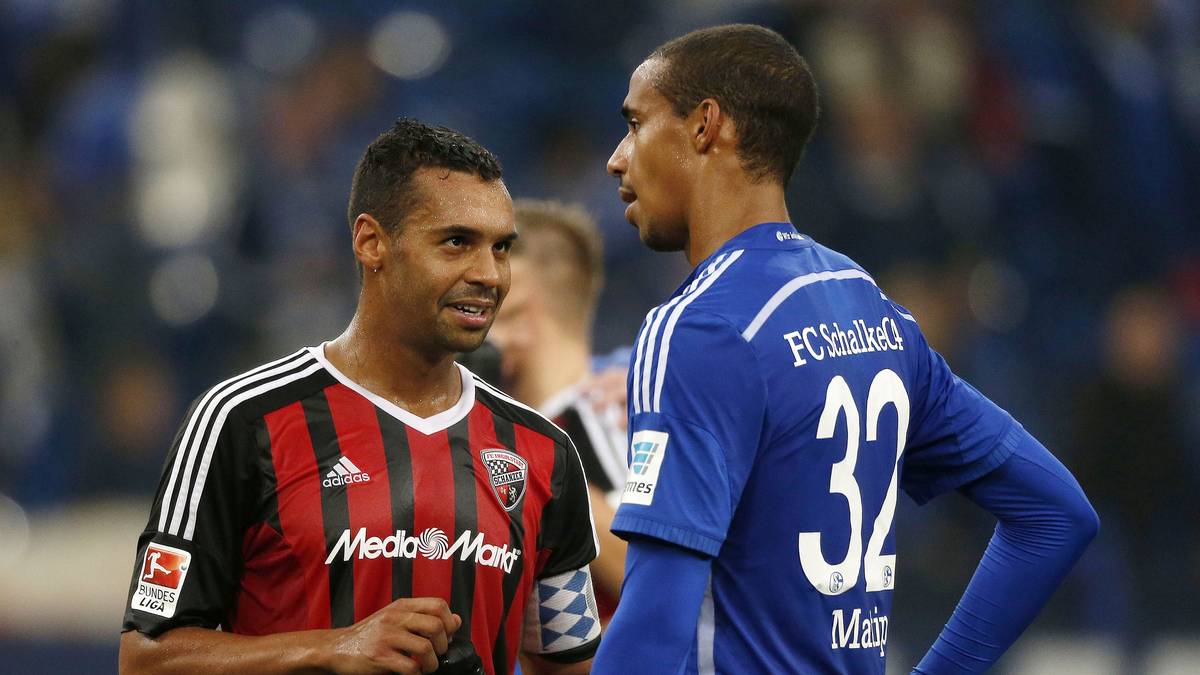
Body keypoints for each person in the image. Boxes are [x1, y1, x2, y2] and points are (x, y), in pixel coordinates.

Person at [591, 24, 1098, 674]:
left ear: (704, 126)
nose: (616, 157)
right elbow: (1056, 514)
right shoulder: (872, 309)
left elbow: (653, 633)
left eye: (636, 124)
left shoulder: (701, 325)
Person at [119, 119, 602, 675]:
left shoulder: (542, 451)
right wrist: (332, 648)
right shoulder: (242, 421)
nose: (489, 274)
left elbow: (569, 665)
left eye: (501, 248)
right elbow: (146, 658)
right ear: (372, 242)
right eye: (456, 243)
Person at [486, 200, 629, 623]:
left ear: (517, 313)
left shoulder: (603, 414)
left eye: (483, 296)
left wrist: (544, 469)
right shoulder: (539, 432)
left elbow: (650, 578)